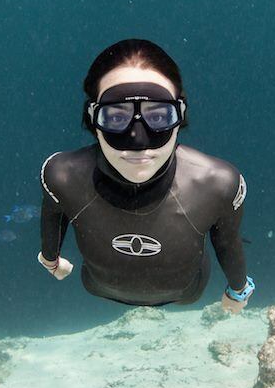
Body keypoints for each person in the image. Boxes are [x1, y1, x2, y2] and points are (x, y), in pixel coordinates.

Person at [38, 38, 254, 312]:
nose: (138, 141)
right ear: (93, 118)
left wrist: (50, 261)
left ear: (180, 115)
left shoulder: (218, 184)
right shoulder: (61, 176)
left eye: (159, 116)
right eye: (116, 118)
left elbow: (229, 242)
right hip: (163, 290)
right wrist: (237, 292)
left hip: (134, 289)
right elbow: (228, 244)